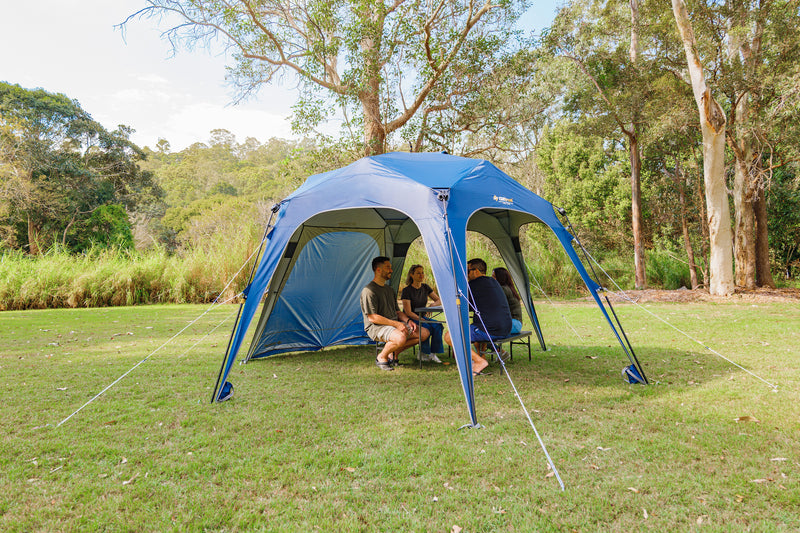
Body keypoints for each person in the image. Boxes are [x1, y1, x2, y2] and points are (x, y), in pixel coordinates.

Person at [444, 258, 512, 375]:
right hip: (506, 328)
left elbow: (461, 305)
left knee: (449, 336)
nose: (466, 274)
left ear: (476, 271)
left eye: (467, 271)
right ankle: (482, 357)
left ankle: (479, 361)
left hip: (491, 330)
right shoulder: (493, 282)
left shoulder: (473, 285)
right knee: (476, 326)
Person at [360, 256, 429, 371]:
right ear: (378, 270)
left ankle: (393, 354)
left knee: (424, 333)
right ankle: (381, 357)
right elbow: (373, 318)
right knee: (400, 338)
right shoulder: (369, 291)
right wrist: (397, 324)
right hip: (377, 327)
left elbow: (397, 312)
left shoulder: (389, 290)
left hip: (393, 324)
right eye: (388, 267)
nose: (391, 270)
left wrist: (408, 321)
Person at [401, 265, 444, 364]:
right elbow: (408, 312)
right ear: (411, 275)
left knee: (438, 325)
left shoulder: (425, 287)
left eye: (422, 273)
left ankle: (433, 354)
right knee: (426, 327)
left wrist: (432, 305)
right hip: (411, 318)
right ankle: (423, 353)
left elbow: (439, 300)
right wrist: (420, 319)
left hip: (422, 316)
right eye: (418, 273)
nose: (421, 275)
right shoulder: (406, 291)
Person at [492, 267, 523, 335]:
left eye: (494, 277)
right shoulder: (508, 288)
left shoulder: (503, 289)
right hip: (516, 324)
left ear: (500, 278)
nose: (492, 279)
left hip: (513, 324)